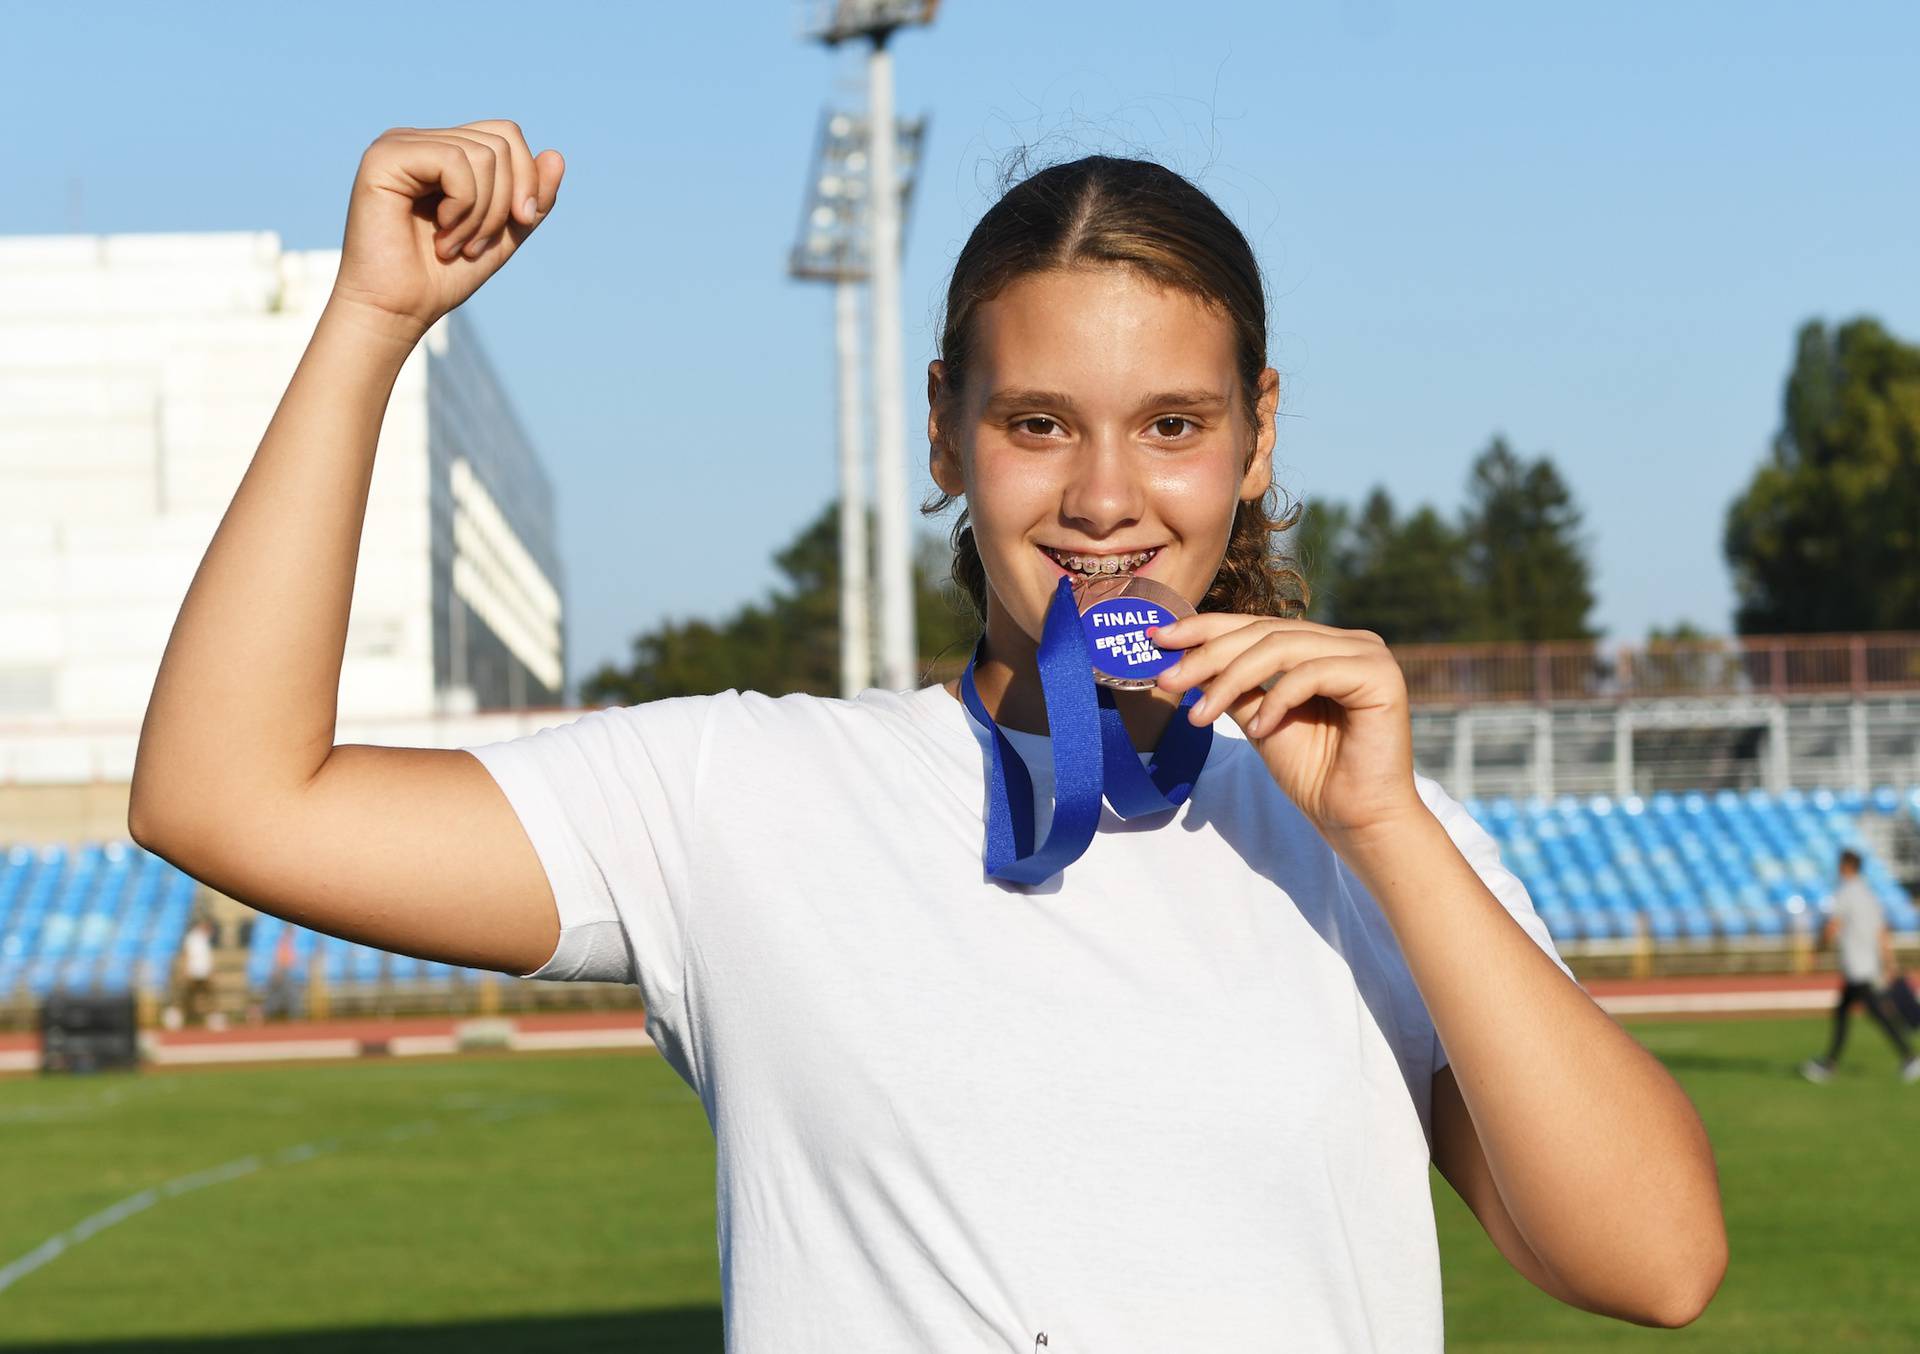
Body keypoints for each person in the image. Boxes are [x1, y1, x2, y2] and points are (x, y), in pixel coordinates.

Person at [126, 120, 1726, 1348]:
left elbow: (1658, 1263)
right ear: (949, 425)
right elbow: (228, 798)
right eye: (1040, 424)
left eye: (1174, 424)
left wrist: (1384, 832)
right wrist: (370, 321)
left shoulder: (1376, 831)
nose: (1106, 495)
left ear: (1257, 437)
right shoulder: (739, 796)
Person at [1801, 849, 1920, 1083]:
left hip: (1857, 965)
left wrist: (1816, 950)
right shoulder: (1869, 895)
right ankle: (1830, 1063)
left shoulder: (1845, 893)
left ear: (1845, 866)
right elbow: (1882, 931)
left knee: (1872, 1012)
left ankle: (1909, 1057)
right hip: (1869, 963)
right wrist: (1887, 962)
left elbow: (1832, 925)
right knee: (1847, 1011)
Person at [180, 915, 215, 1025]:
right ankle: (187, 1017)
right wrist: (185, 970)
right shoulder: (192, 938)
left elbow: (207, 957)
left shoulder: (204, 938)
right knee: (189, 996)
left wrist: (211, 971)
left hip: (204, 972)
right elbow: (187, 955)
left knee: (208, 996)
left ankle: (208, 1017)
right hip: (194, 971)